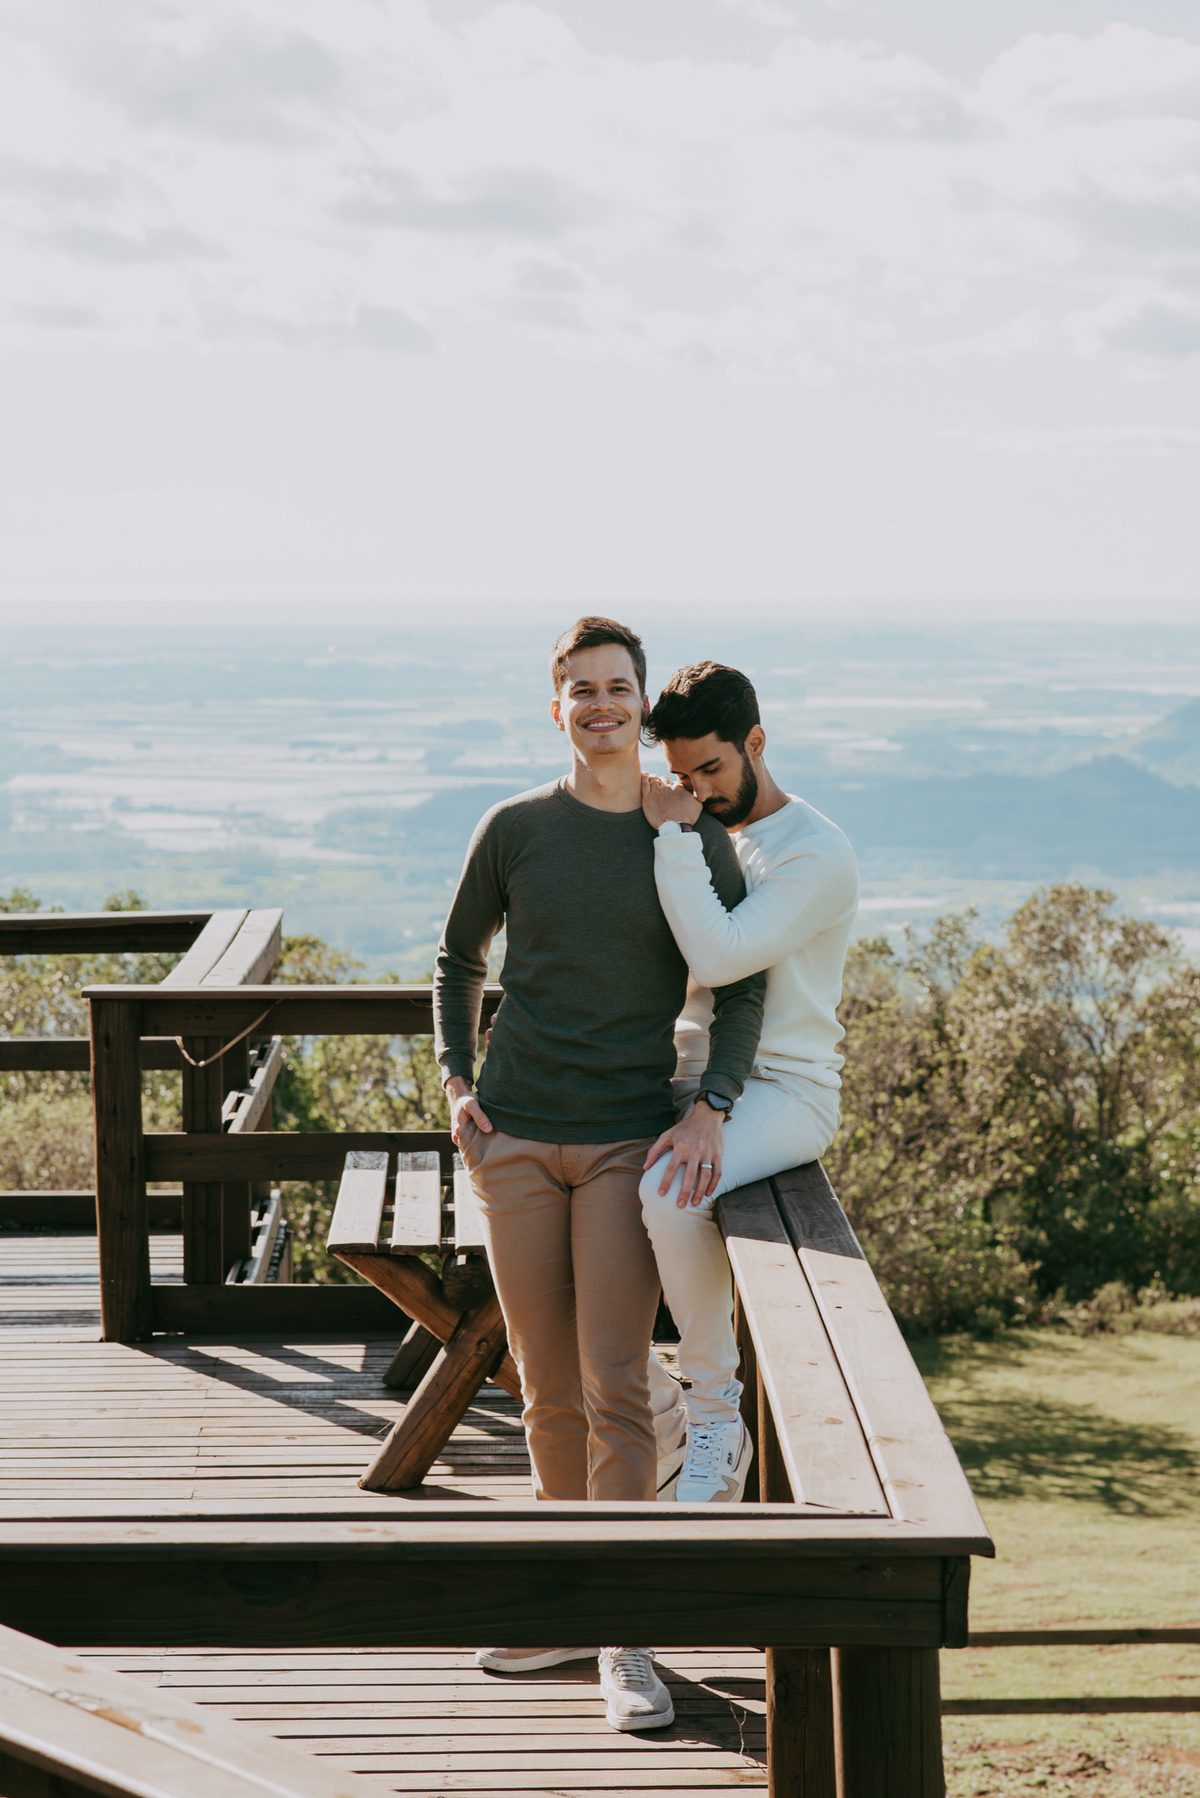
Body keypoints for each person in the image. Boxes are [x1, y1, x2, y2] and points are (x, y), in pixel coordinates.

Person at [433, 618, 765, 1733]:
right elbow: (455, 959)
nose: (602, 705)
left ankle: (628, 1637)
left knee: (618, 1380)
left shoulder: (685, 833)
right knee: (543, 1387)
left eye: (619, 687)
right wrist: (453, 1082)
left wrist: (713, 1103)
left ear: (638, 705)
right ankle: (565, 1599)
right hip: (516, 1142)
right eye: (582, 690)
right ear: (557, 707)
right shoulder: (514, 826)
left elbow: (743, 981)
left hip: (629, 1141)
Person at [636, 661, 859, 1504]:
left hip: (783, 1091)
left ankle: (716, 1417)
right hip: (687, 1077)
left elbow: (721, 956)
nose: (697, 789)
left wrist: (669, 832)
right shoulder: (710, 827)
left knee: (670, 1189)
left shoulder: (815, 851)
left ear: (756, 742)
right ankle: (657, 1411)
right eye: (683, 774)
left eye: (713, 769)